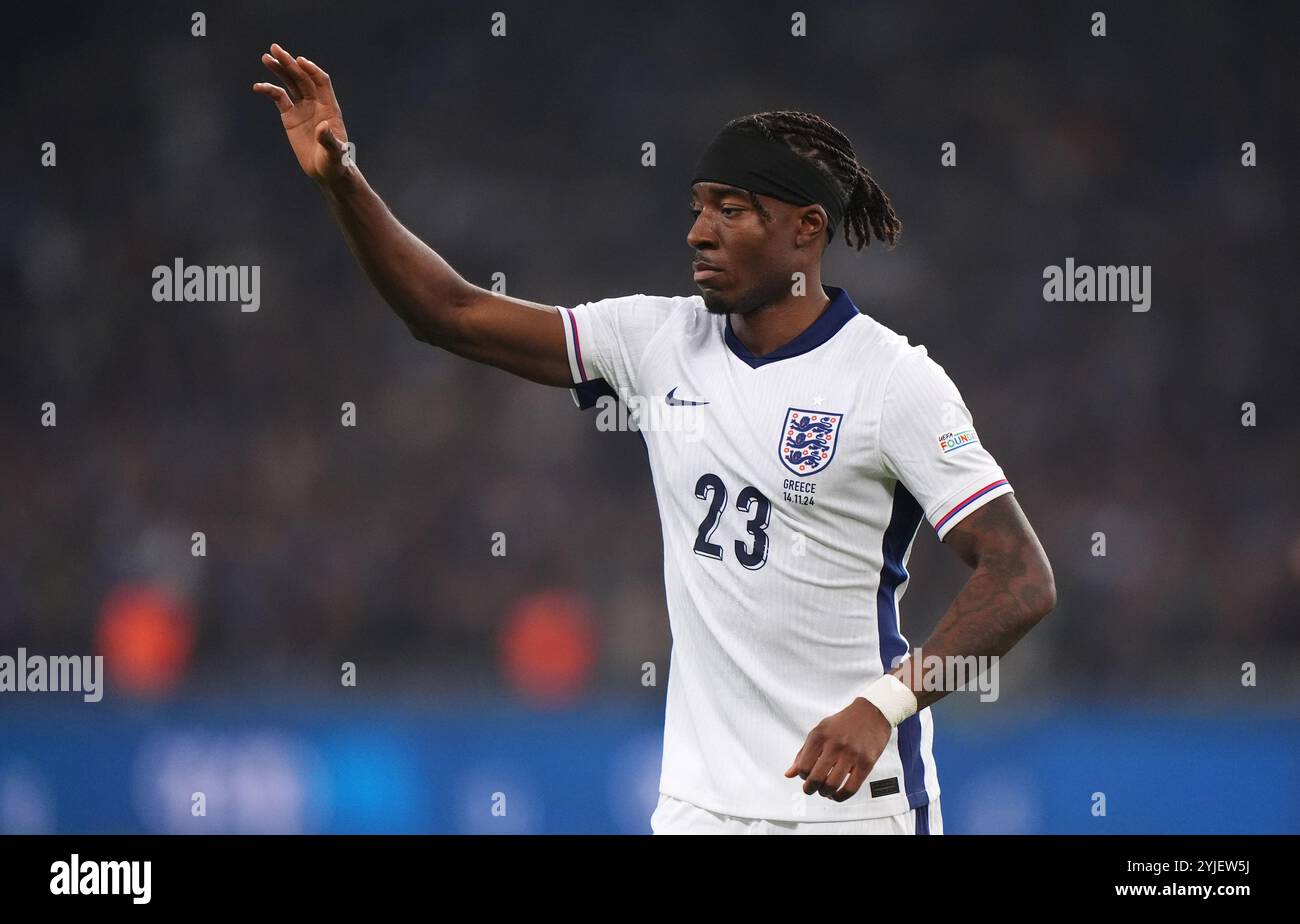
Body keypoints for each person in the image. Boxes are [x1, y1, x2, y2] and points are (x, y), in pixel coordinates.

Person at [254, 43, 1057, 835]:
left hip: (852, 808)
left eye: (732, 211)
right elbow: (449, 313)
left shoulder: (892, 381)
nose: (699, 233)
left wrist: (888, 703)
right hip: (696, 809)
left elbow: (1021, 578)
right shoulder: (655, 342)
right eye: (698, 207)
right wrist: (343, 180)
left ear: (806, 230)